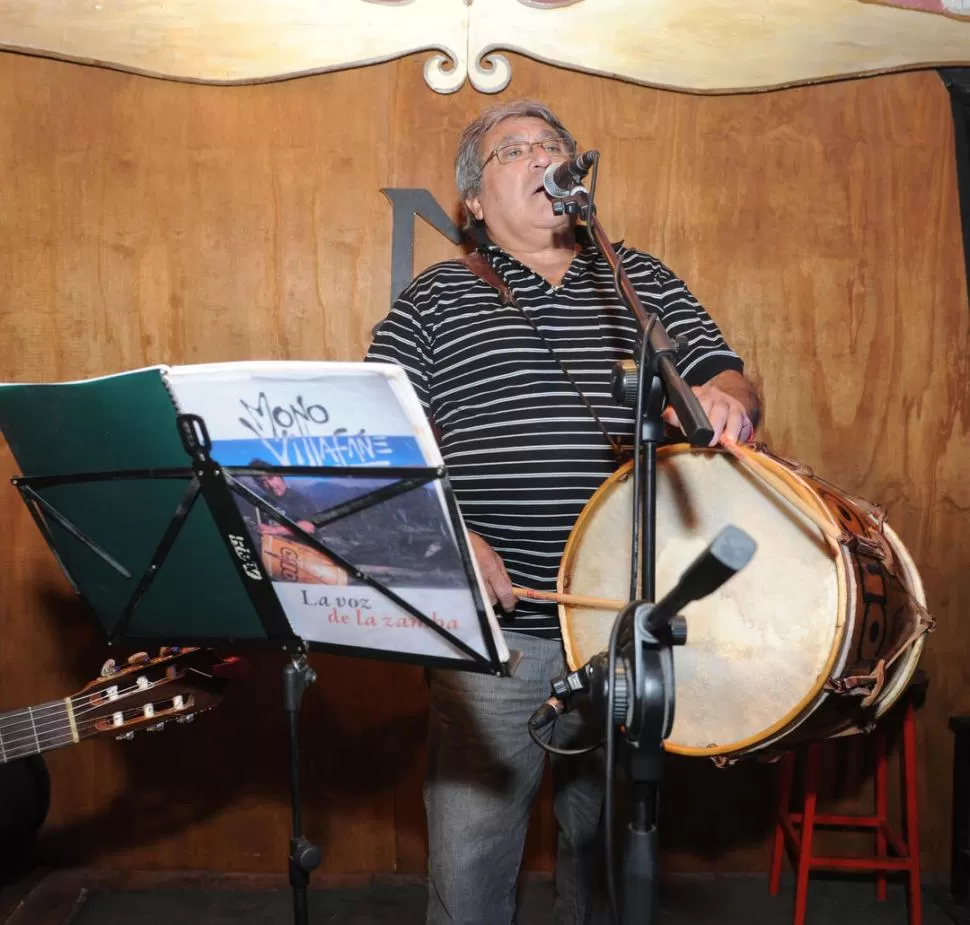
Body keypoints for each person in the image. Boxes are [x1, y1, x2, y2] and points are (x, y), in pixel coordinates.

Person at [365, 100, 761, 925]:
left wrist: (728, 398)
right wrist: (449, 535)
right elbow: (375, 442)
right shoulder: (434, 298)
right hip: (497, 640)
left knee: (606, 862)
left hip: (624, 625)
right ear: (474, 201)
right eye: (515, 149)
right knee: (471, 865)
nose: (543, 156)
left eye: (554, 145)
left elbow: (724, 371)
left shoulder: (637, 278)